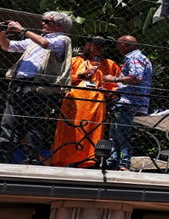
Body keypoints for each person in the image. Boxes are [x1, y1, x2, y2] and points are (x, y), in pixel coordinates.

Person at [0, 11, 72, 164]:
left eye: (47, 21)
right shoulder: (34, 40)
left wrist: (22, 30)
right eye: (42, 20)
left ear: (59, 25)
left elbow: (46, 44)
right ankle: (3, 157)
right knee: (8, 122)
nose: (42, 23)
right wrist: (1, 34)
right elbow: (8, 46)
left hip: (37, 87)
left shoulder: (63, 39)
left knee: (32, 124)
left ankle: (31, 159)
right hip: (19, 85)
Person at [49, 35, 121, 167]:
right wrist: (81, 75)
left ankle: (88, 161)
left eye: (103, 44)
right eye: (96, 44)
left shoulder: (110, 64)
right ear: (87, 45)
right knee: (69, 131)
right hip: (74, 103)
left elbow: (116, 87)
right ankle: (63, 160)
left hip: (96, 105)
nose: (100, 47)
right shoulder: (75, 61)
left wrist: (107, 90)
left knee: (93, 131)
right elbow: (62, 80)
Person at [108, 35, 152, 170]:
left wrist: (114, 79)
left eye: (119, 45)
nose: (117, 48)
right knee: (116, 131)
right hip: (130, 100)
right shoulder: (139, 57)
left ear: (125, 45)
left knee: (121, 132)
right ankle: (114, 160)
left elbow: (135, 77)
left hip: (128, 101)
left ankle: (123, 162)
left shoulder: (134, 58)